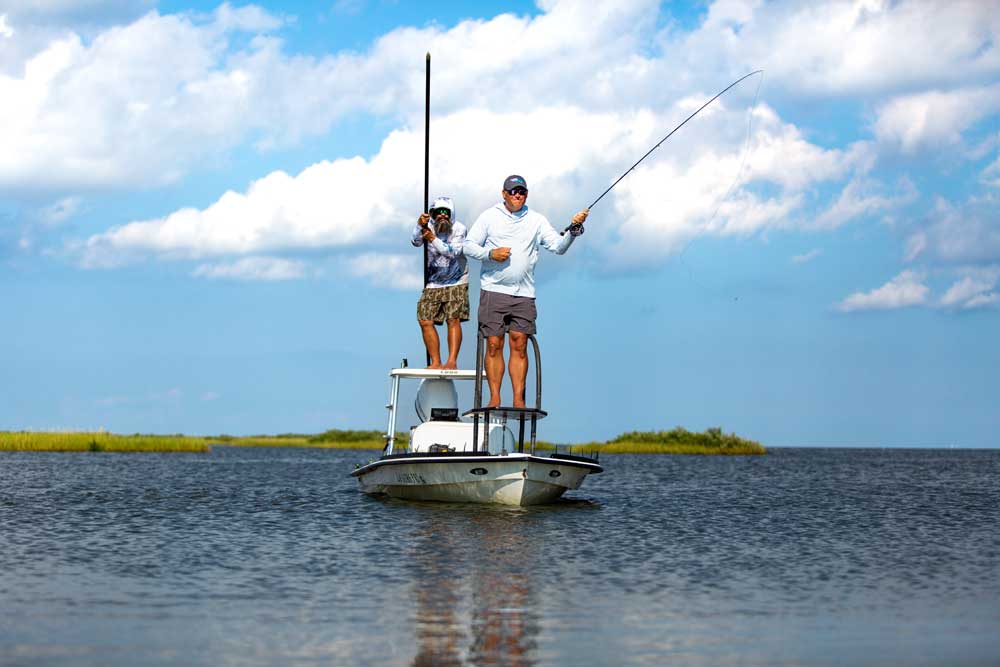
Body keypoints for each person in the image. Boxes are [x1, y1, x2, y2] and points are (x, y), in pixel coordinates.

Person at [464, 175, 588, 407]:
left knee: (520, 343)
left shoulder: (537, 219)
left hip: (525, 294)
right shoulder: (489, 216)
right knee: (493, 343)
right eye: (513, 191)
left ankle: (518, 400)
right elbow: (468, 245)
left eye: (521, 191)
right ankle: (495, 398)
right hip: (493, 290)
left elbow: (558, 247)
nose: (517, 195)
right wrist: (490, 254)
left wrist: (573, 230)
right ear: (504, 194)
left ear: (526, 194)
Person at [412, 196, 469, 369]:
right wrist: (418, 226)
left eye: (446, 213)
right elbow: (415, 241)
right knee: (425, 319)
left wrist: (432, 239)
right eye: (438, 213)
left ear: (452, 214)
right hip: (433, 282)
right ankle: (436, 361)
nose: (442, 216)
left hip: (456, 280)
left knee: (453, 319)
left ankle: (451, 361)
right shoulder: (427, 228)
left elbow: (451, 252)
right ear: (432, 214)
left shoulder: (459, 229)